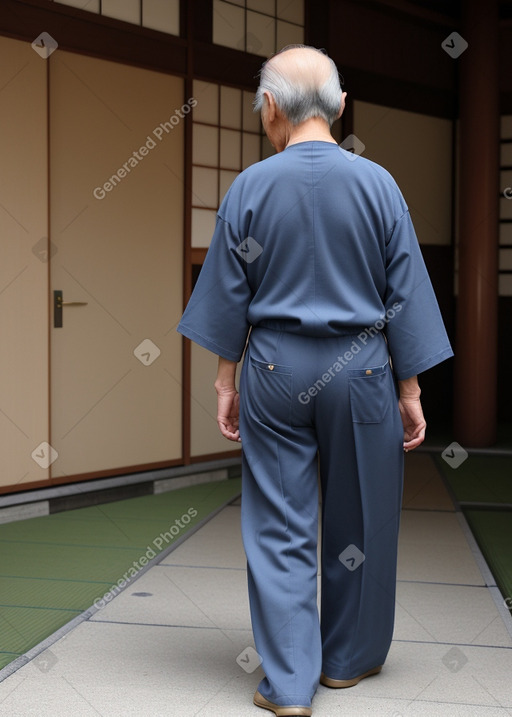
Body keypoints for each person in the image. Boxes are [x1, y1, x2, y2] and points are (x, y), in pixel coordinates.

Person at [177, 45, 453, 717]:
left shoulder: (249, 187)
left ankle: (288, 683)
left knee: (278, 521)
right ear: (341, 104)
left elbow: (227, 295)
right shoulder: (380, 185)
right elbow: (406, 296)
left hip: (272, 367)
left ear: (270, 108)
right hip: (361, 369)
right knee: (363, 515)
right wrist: (409, 392)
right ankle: (346, 661)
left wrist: (225, 380)